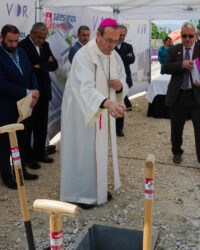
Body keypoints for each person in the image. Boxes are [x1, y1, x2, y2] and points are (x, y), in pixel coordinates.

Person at [60, 18, 128, 209]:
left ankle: (97, 189)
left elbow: (123, 77)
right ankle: (81, 194)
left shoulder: (113, 56)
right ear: (98, 35)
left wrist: (120, 85)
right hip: (81, 114)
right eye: (108, 40)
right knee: (83, 152)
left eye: (116, 41)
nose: (112, 46)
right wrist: (106, 102)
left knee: (98, 152)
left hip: (101, 111)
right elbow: (85, 88)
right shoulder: (84, 55)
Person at [0, 24, 39, 189]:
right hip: (5, 108)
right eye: (10, 41)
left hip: (24, 107)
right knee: (5, 146)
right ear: (1, 38)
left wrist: (34, 92)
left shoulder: (21, 52)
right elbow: (0, 85)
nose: (14, 45)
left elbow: (30, 73)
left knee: (22, 142)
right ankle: (6, 177)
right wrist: (27, 91)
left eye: (16, 41)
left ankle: (21, 171)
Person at [161, 21, 200, 174]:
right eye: (184, 36)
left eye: (190, 36)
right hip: (178, 96)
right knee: (176, 127)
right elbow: (165, 68)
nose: (187, 38)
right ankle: (177, 152)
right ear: (181, 36)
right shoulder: (174, 50)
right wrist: (181, 65)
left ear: (196, 36)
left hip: (196, 95)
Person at [19, 22, 58, 164]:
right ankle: (28, 158)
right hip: (30, 93)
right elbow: (28, 69)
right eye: (39, 37)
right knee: (28, 128)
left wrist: (40, 65)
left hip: (44, 91)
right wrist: (45, 64)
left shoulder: (45, 46)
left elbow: (54, 65)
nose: (41, 40)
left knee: (41, 126)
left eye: (44, 37)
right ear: (31, 32)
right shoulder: (22, 46)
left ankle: (40, 153)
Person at [114, 24, 135, 137]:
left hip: (124, 79)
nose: (122, 37)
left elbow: (132, 59)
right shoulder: (111, 45)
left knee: (121, 104)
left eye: (124, 35)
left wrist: (119, 57)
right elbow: (126, 58)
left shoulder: (128, 46)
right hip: (112, 80)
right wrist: (124, 57)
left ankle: (119, 128)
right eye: (120, 35)